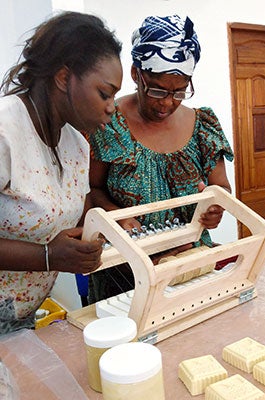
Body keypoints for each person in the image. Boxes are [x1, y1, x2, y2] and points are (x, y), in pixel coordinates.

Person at [84, 15, 234, 303]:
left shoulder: (202, 124)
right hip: (125, 275)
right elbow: (92, 190)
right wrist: (119, 216)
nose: (167, 103)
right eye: (157, 90)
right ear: (135, 74)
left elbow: (221, 188)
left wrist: (216, 204)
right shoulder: (107, 122)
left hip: (191, 266)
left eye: (179, 91)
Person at [0, 11, 123, 334]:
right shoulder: (5, 132)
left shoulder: (77, 146)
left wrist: (106, 230)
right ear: (63, 78)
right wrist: (47, 256)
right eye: (105, 93)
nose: (112, 107)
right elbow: (49, 251)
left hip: (22, 316)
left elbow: (78, 218)